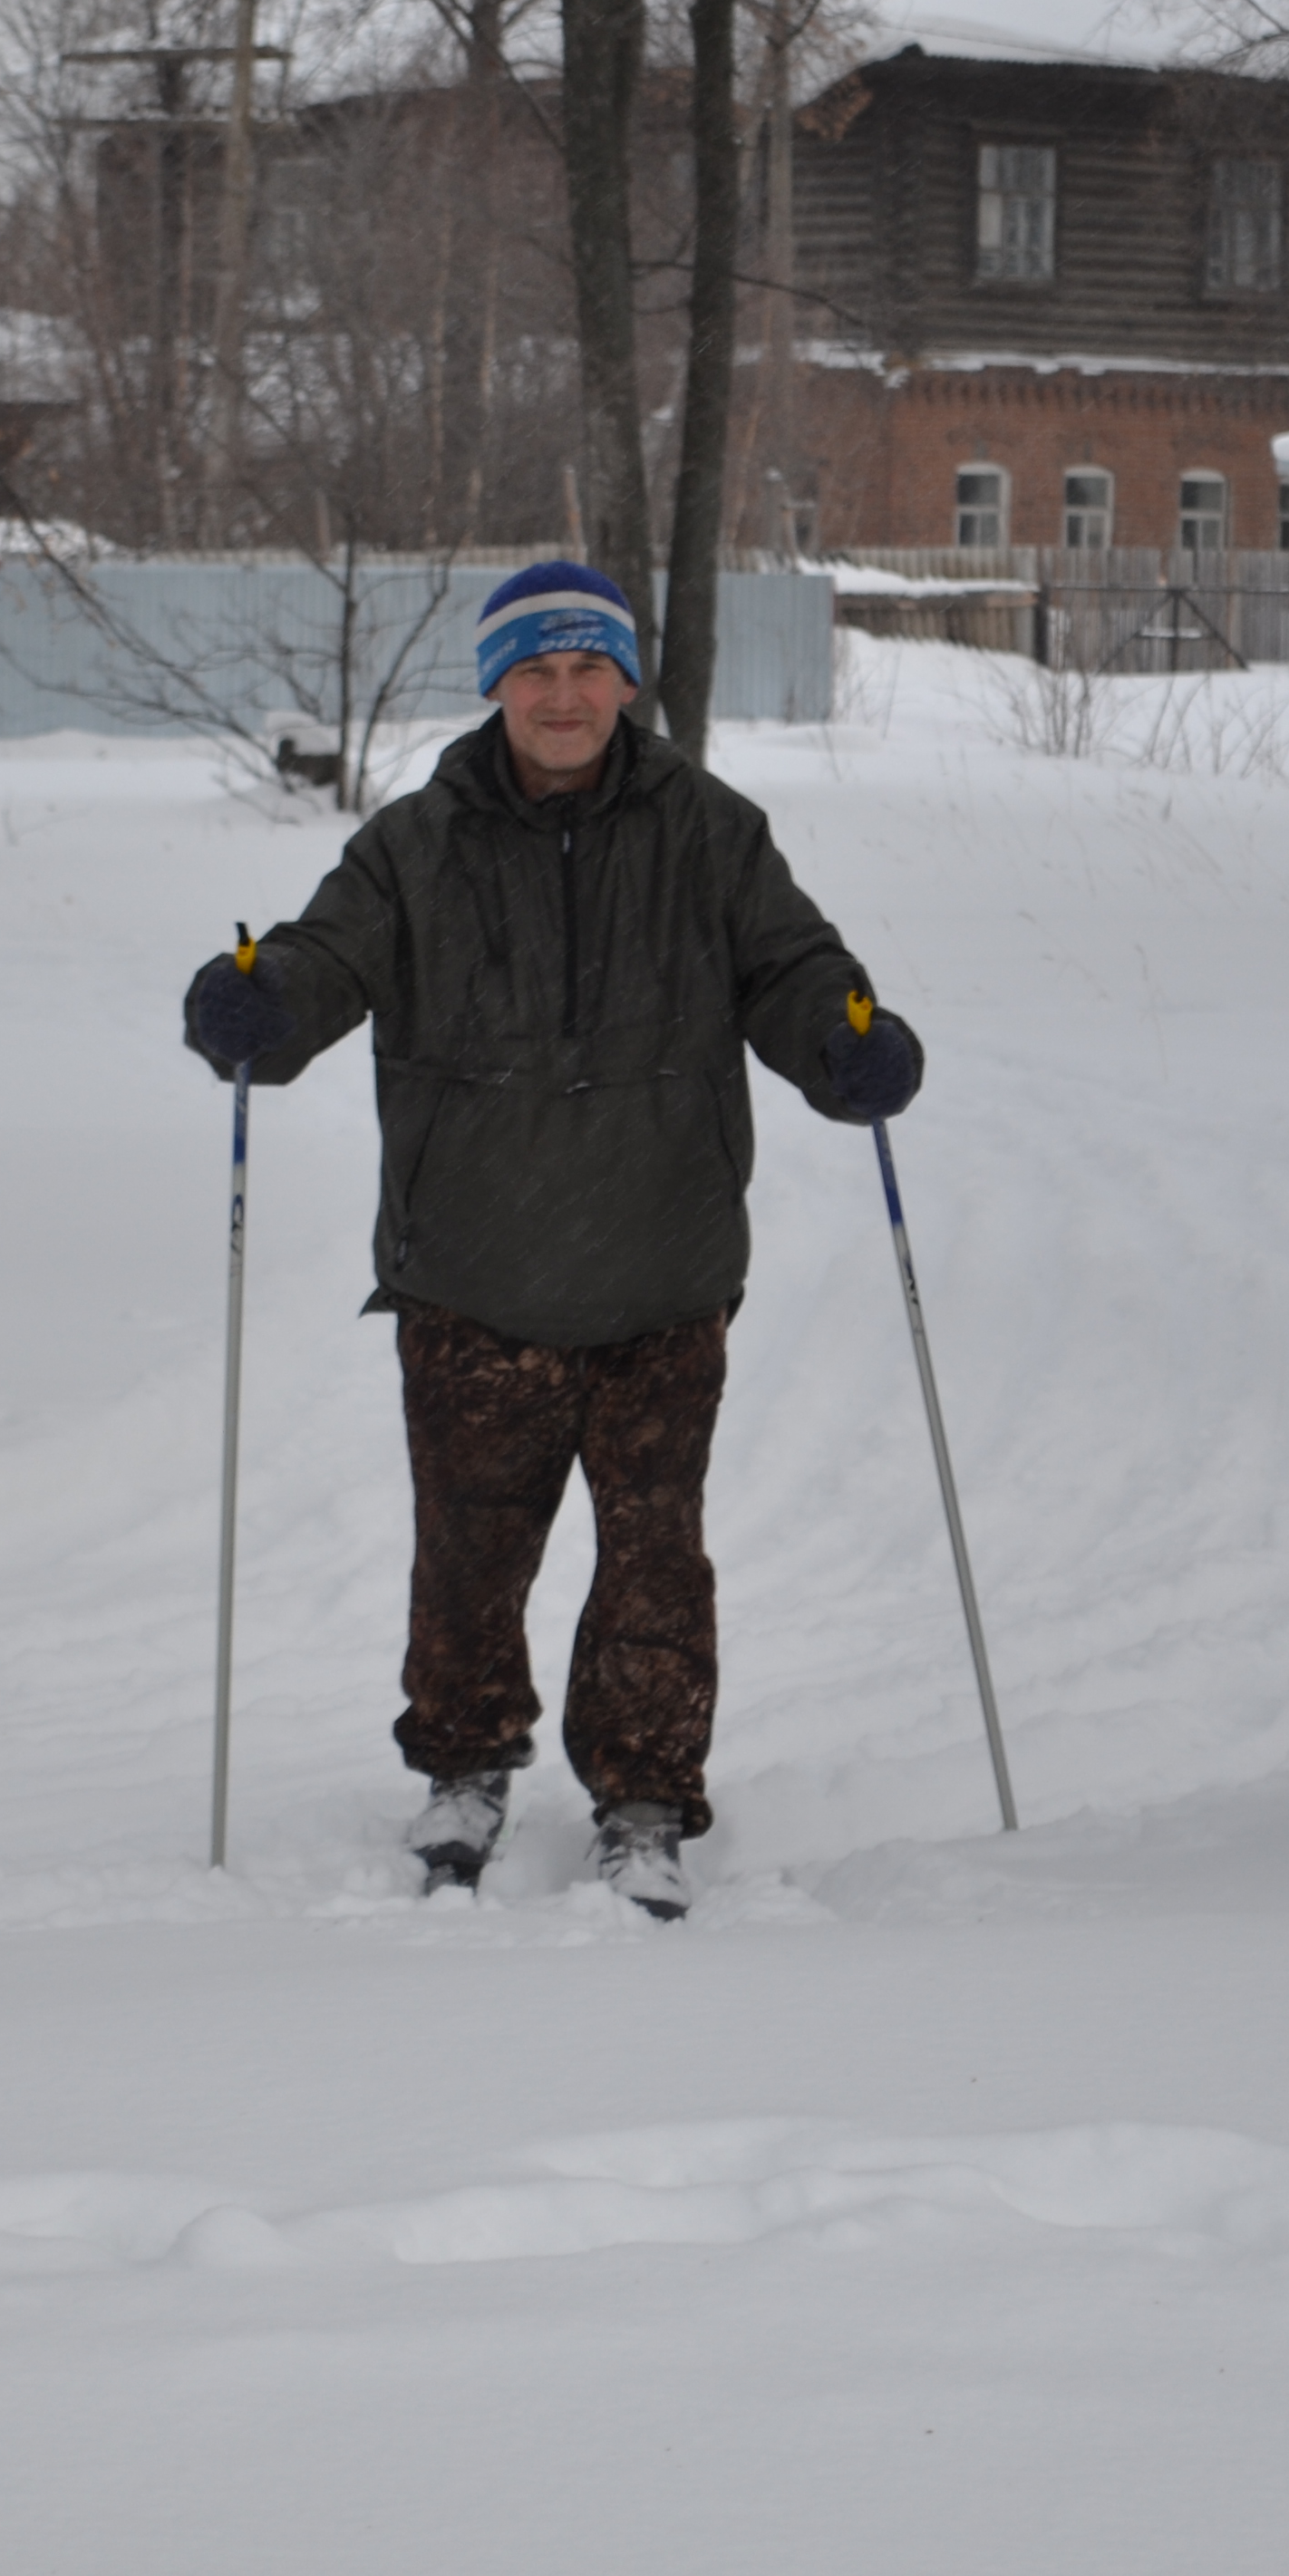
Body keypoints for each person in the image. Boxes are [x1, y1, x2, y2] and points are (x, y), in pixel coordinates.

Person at [179, 561, 925, 1920]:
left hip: (663, 1267)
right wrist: (258, 1004)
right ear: (496, 686)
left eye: (589, 670)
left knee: (654, 1553)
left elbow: (791, 966)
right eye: (537, 671)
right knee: (469, 1548)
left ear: (626, 682)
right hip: (472, 1275)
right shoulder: (417, 843)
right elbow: (323, 960)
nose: (565, 695)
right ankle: (464, 1765)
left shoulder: (709, 830)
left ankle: (643, 1799)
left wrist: (842, 1038)